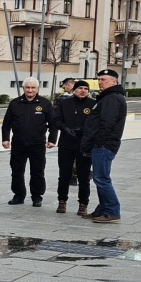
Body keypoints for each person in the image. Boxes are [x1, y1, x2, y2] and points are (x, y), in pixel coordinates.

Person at [1, 77, 57, 206]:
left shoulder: (44, 103)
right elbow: (6, 123)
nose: (30, 90)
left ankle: (37, 197)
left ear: (37, 89)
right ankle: (18, 195)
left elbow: (53, 123)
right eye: (27, 87)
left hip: (37, 144)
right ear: (23, 88)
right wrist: (5, 139)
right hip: (18, 144)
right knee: (16, 171)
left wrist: (52, 139)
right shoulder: (15, 103)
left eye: (33, 88)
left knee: (37, 172)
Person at [82, 69, 127, 223]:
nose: (100, 82)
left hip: (104, 145)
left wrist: (99, 142)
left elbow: (107, 123)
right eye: (99, 79)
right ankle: (102, 209)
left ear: (114, 82)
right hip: (102, 144)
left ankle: (113, 211)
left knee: (102, 178)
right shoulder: (108, 97)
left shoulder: (112, 98)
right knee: (99, 178)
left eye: (103, 79)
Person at [54, 80, 94, 216]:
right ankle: (62, 200)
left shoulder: (93, 104)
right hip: (66, 143)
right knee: (64, 174)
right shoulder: (64, 103)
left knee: (84, 176)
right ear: (74, 90)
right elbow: (56, 119)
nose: (83, 90)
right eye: (80, 88)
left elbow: (94, 123)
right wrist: (65, 129)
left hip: (84, 144)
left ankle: (83, 203)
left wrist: (82, 130)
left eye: (85, 88)